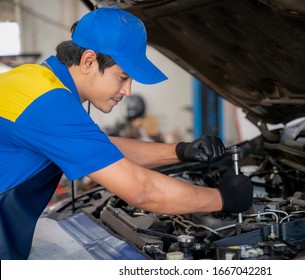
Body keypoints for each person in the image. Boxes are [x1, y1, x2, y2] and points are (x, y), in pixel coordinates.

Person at [0, 7, 253, 260]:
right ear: (89, 61)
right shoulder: (48, 105)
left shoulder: (35, 80)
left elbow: (100, 149)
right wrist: (222, 198)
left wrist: (180, 151)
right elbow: (142, 191)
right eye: (122, 77)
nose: (128, 91)